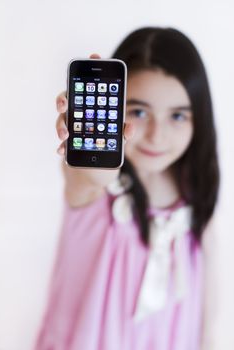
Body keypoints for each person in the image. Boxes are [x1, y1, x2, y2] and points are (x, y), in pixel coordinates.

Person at [35, 27, 220, 350]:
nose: (156, 136)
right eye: (138, 112)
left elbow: (211, 285)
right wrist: (88, 132)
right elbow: (92, 175)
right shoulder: (96, 194)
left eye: (177, 116)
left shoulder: (195, 191)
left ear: (199, 119)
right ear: (117, 112)